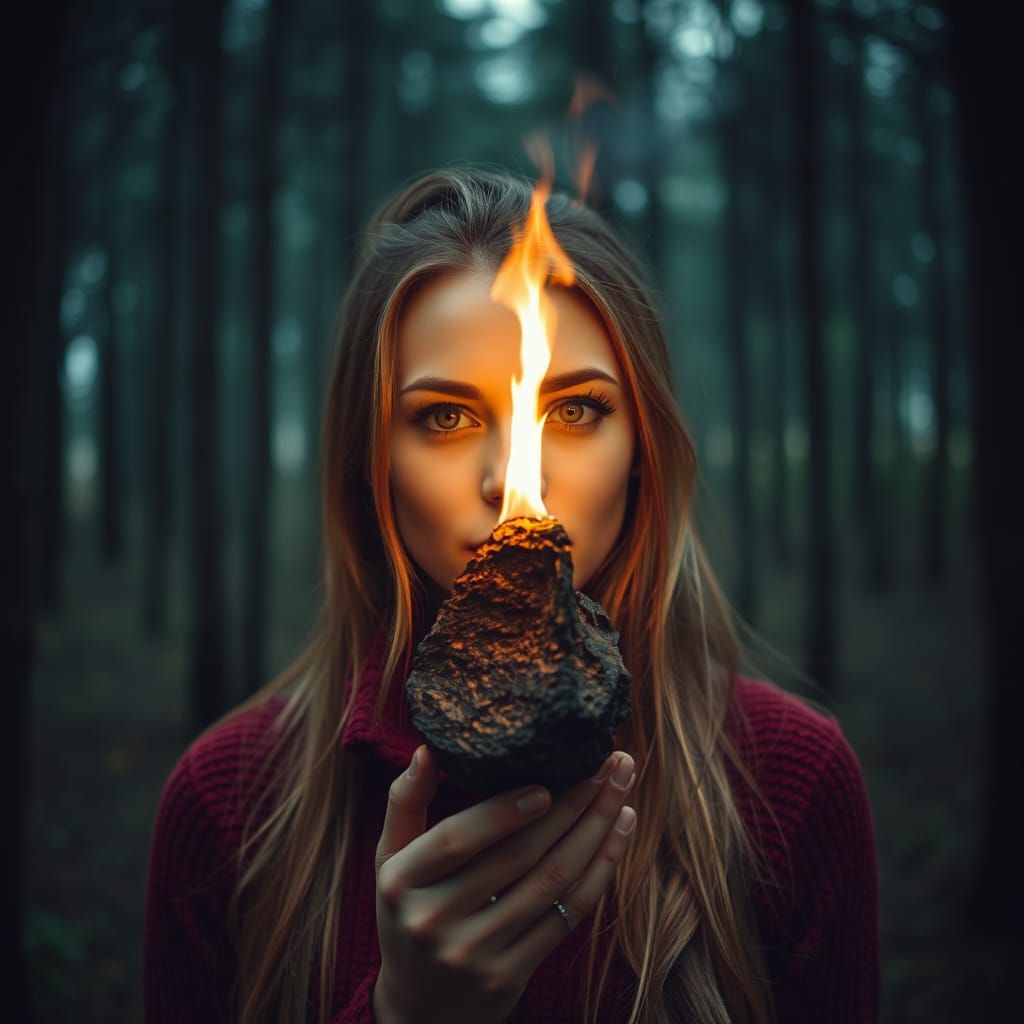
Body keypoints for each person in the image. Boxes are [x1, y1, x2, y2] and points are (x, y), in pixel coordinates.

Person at [143, 165, 880, 1024]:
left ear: (642, 443)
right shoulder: (227, 805)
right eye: (445, 418)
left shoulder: (792, 785)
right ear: (369, 458)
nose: (511, 483)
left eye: (573, 413)